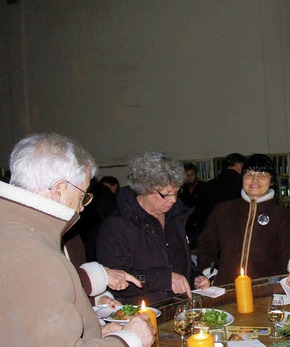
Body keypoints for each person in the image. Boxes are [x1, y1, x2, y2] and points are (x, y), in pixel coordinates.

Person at [0, 132, 154, 346]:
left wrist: (94, 334)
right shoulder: (37, 256)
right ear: (60, 190)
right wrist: (128, 340)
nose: (82, 207)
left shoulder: (13, 229)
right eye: (83, 196)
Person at [97, 151, 210, 304]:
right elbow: (116, 279)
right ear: (143, 189)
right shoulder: (116, 227)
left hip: (178, 310)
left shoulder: (174, 218)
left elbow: (181, 262)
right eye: (166, 194)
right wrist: (164, 278)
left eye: (177, 193)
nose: (173, 200)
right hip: (141, 314)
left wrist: (194, 277)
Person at [197, 154, 290, 286]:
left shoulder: (283, 216)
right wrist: (209, 273)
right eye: (249, 175)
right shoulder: (223, 210)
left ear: (272, 181)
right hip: (226, 289)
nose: (255, 180)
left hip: (266, 291)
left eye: (262, 175)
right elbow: (206, 244)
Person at [179, 163, 212, 249]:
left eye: (192, 175)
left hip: (202, 222)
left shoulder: (204, 187)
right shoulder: (181, 190)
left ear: (196, 175)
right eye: (187, 175)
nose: (190, 177)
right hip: (187, 223)